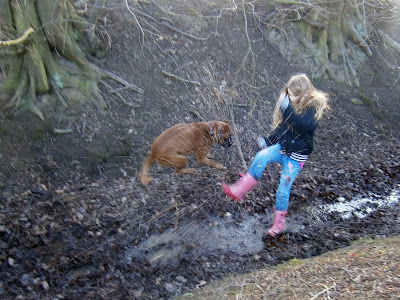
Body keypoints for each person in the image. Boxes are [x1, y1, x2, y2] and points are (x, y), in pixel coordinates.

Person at [222, 74, 330, 237]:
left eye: (294, 96)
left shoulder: (313, 109)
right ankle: (240, 189)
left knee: (283, 188)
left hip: (296, 157)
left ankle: (279, 224)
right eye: (290, 94)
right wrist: (268, 140)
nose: (290, 98)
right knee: (262, 156)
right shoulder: (291, 107)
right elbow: (284, 129)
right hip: (283, 147)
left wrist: (286, 108)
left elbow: (301, 126)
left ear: (306, 94)